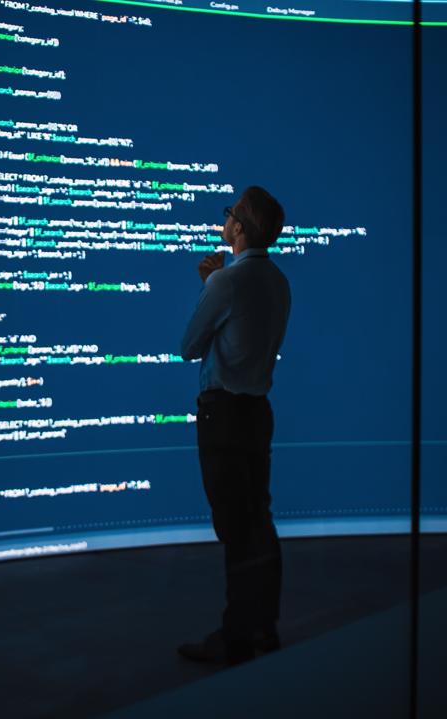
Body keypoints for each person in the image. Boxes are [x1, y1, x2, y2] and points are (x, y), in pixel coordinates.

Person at [177, 186, 291, 666]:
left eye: (229, 215)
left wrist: (210, 285)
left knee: (235, 527)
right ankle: (263, 627)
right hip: (257, 413)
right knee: (258, 520)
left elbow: (189, 346)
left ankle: (235, 638)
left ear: (239, 227)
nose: (225, 221)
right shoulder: (279, 281)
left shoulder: (226, 282)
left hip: (223, 415)